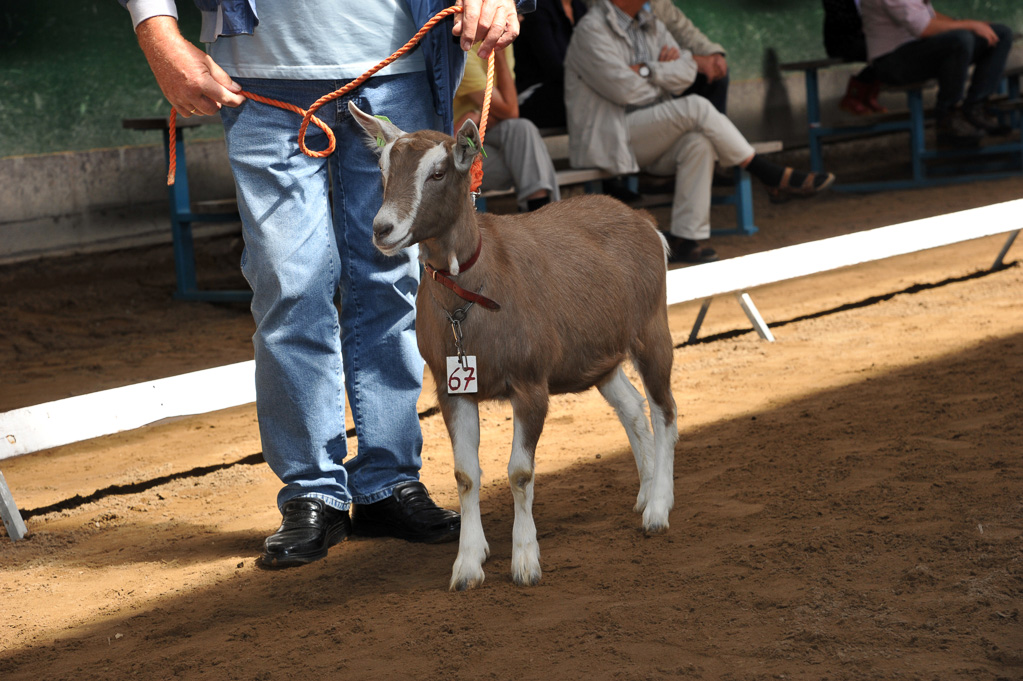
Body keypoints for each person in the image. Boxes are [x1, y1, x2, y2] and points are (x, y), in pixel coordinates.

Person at [120, 0, 532, 569]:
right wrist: (157, 32)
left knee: (391, 282)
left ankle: (388, 480)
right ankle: (312, 490)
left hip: (399, 64)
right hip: (259, 79)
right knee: (289, 284)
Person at [565, 0, 835, 264]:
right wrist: (664, 75)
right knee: (695, 106)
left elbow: (688, 70)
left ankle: (685, 239)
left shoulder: (651, 23)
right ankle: (767, 173)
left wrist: (648, 69)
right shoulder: (591, 30)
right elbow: (627, 90)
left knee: (698, 142)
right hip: (606, 138)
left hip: (647, 132)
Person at [859, 0, 1013, 148]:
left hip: (919, 50)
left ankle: (975, 108)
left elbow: (929, 15)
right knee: (960, 40)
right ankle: (947, 117)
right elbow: (922, 28)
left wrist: (969, 24)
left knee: (999, 34)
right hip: (891, 62)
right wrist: (970, 25)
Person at [454, 41, 560, 211]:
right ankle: (542, 214)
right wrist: (500, 55)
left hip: (484, 131)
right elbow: (509, 110)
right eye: (520, 12)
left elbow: (508, 112)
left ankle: (539, 214)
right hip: (457, 152)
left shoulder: (504, 42)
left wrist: (479, 115)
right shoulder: (464, 48)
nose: (521, 17)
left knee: (522, 129)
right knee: (529, 163)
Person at [514, 0, 588, 130]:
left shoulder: (579, 7)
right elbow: (554, 68)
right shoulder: (538, 8)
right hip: (533, 93)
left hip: (568, 86)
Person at [647, 0, 729, 115]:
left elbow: (683, 31)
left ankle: (716, 131)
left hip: (668, 66)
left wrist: (713, 54)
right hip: (643, 84)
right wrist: (692, 61)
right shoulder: (619, 12)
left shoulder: (658, 4)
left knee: (716, 72)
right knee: (696, 111)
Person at [822, 0, 888, 115]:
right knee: (884, 51)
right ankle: (854, 95)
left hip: (869, 37)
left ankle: (867, 95)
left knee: (893, 49)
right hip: (844, 41)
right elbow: (839, 19)